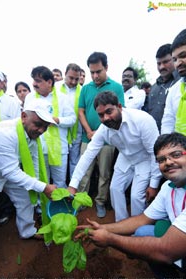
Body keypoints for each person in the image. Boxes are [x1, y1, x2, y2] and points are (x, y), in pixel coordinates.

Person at [76, 132, 186, 279]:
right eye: (161, 160)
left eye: (176, 155)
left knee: (157, 247)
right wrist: (102, 227)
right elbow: (142, 219)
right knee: (143, 231)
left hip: (177, 251)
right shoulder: (170, 187)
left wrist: (110, 239)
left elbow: (166, 251)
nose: (168, 162)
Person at [68, 91, 161, 222]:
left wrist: (154, 185)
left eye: (109, 112)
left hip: (145, 159)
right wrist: (73, 185)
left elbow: (155, 153)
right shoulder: (103, 130)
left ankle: (137, 230)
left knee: (136, 197)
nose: (105, 118)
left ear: (119, 106)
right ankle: (121, 224)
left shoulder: (142, 120)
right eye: (101, 115)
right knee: (115, 189)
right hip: (125, 158)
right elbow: (88, 155)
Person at [0, 99, 57, 239]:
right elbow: (10, 172)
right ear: (24, 117)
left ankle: (28, 232)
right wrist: (43, 187)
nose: (41, 130)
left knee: (25, 198)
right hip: (1, 172)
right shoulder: (4, 133)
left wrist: (35, 184)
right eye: (38, 124)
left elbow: (34, 161)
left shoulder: (32, 135)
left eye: (45, 127)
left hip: (8, 171)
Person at [77, 52, 125, 218]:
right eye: (92, 72)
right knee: (84, 171)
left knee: (104, 173)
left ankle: (100, 202)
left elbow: (120, 111)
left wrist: (100, 132)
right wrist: (89, 132)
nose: (95, 76)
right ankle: (81, 201)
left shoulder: (117, 87)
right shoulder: (85, 88)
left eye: (98, 71)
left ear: (106, 67)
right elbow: (81, 111)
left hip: (108, 140)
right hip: (87, 138)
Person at [24, 66, 76, 188]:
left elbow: (72, 119)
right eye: (33, 80)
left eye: (38, 81)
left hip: (59, 149)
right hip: (37, 148)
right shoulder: (30, 98)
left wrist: (57, 120)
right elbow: (25, 119)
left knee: (60, 184)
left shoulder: (63, 98)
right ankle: (43, 207)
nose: (34, 84)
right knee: (42, 183)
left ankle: (60, 207)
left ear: (49, 82)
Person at [0, 69, 21, 226]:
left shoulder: (12, 102)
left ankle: (10, 210)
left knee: (11, 181)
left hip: (8, 151)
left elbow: (18, 128)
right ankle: (3, 209)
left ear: (2, 82)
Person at [161, 27, 186, 146]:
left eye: (183, 56)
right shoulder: (174, 90)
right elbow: (168, 121)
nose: (178, 63)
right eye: (174, 59)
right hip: (184, 156)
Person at [146, 44, 180, 132]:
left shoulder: (183, 82)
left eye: (166, 62)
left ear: (174, 59)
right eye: (159, 63)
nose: (161, 67)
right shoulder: (154, 88)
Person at [58, 63, 82, 179]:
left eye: (76, 79)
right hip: (59, 132)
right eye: (71, 78)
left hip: (76, 132)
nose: (73, 82)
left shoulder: (82, 90)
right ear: (65, 74)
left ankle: (72, 191)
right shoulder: (56, 88)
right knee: (59, 164)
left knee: (74, 163)